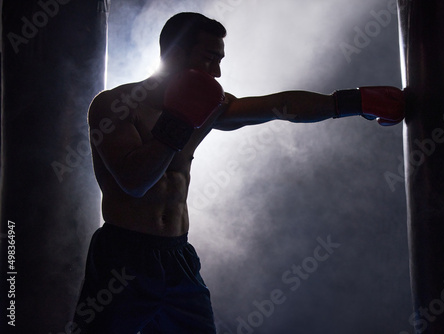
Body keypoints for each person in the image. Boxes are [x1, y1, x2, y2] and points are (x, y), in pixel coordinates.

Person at [72, 12, 404, 334]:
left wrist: (352, 101)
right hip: (123, 259)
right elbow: (135, 181)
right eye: (209, 58)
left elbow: (279, 107)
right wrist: (179, 119)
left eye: (220, 60)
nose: (216, 72)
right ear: (175, 53)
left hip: (178, 259)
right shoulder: (114, 105)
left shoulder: (209, 106)